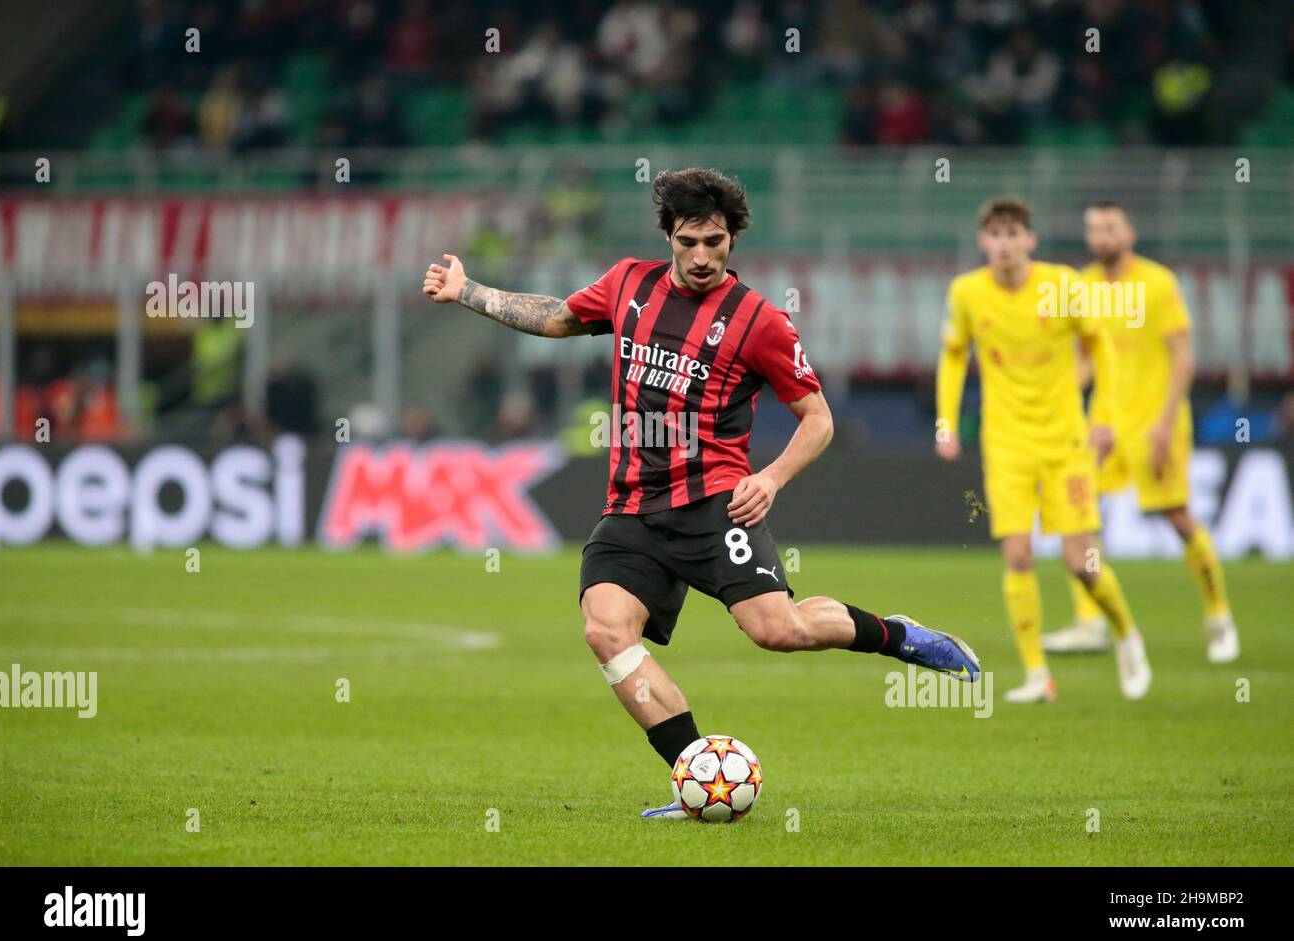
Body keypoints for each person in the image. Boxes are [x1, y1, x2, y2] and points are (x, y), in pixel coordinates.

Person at [424, 167, 980, 818]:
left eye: (715, 242)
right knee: (605, 632)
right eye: (689, 241)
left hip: (714, 505)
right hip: (631, 508)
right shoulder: (628, 284)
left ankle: (897, 635)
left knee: (778, 631)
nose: (701, 256)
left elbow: (819, 419)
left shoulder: (760, 322)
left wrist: (769, 479)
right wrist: (468, 291)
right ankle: (695, 781)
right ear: (668, 236)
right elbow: (556, 317)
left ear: (733, 239)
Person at [935, 195, 1150, 703]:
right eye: (996, 235)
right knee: (1017, 554)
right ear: (983, 242)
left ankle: (1126, 632)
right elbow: (952, 357)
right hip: (1006, 443)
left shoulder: (1063, 285)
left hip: (1065, 442)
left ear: (1030, 240)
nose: (1005, 244)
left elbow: (1102, 347)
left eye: (1014, 235)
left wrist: (1105, 417)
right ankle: (1038, 675)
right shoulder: (967, 292)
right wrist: (946, 424)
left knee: (1083, 562)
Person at [1042, 202, 1238, 663]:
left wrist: (1166, 423)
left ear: (1129, 233)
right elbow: (1085, 361)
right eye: (1092, 228)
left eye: (1109, 227)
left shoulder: (1158, 283)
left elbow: (1182, 356)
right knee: (1081, 521)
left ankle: (1218, 616)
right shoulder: (1082, 286)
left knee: (1178, 516)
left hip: (1156, 423)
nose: (1100, 236)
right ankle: (1091, 621)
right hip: (1102, 427)